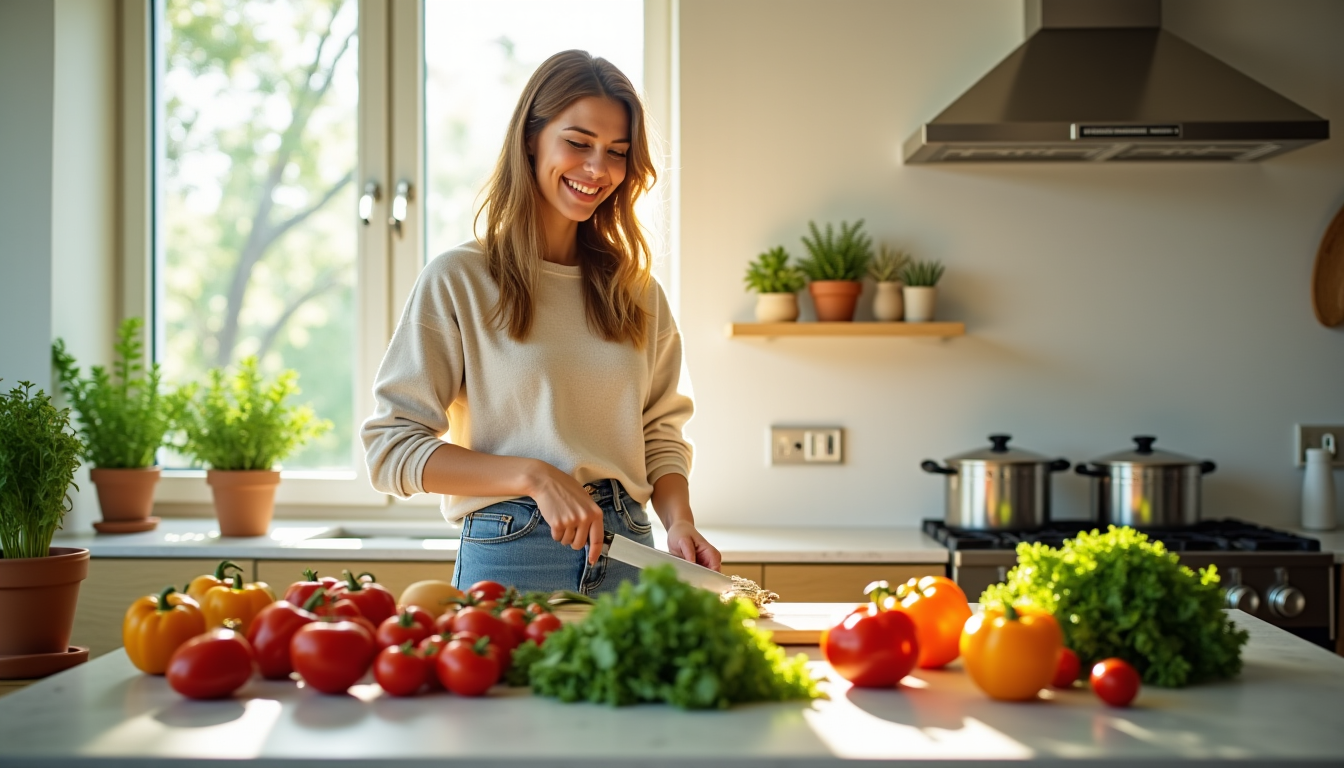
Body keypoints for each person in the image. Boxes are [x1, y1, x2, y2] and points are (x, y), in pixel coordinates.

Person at [361, 50, 719, 595]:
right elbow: (391, 448)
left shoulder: (637, 292)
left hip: (633, 551)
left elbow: (661, 434)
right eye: (578, 143)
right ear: (531, 138)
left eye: (617, 152)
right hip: (514, 550)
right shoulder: (459, 279)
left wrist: (680, 521)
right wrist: (531, 475)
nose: (598, 169)